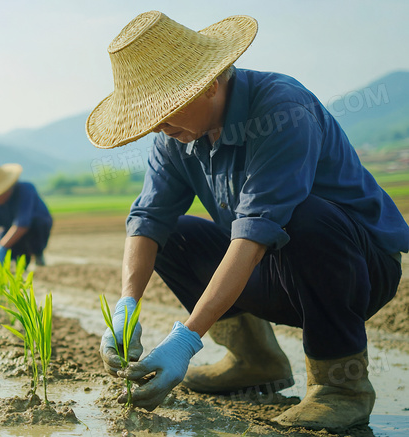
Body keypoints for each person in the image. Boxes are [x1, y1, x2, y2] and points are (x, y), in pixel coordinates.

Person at [86, 11, 407, 432]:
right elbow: (148, 217)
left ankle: (340, 388)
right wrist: (127, 303)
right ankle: (254, 361)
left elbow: (256, 231)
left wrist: (186, 340)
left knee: (304, 215)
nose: (159, 128)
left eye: (166, 112)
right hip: (277, 271)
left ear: (208, 85)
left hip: (356, 269)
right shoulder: (176, 138)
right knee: (174, 236)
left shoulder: (281, 109)